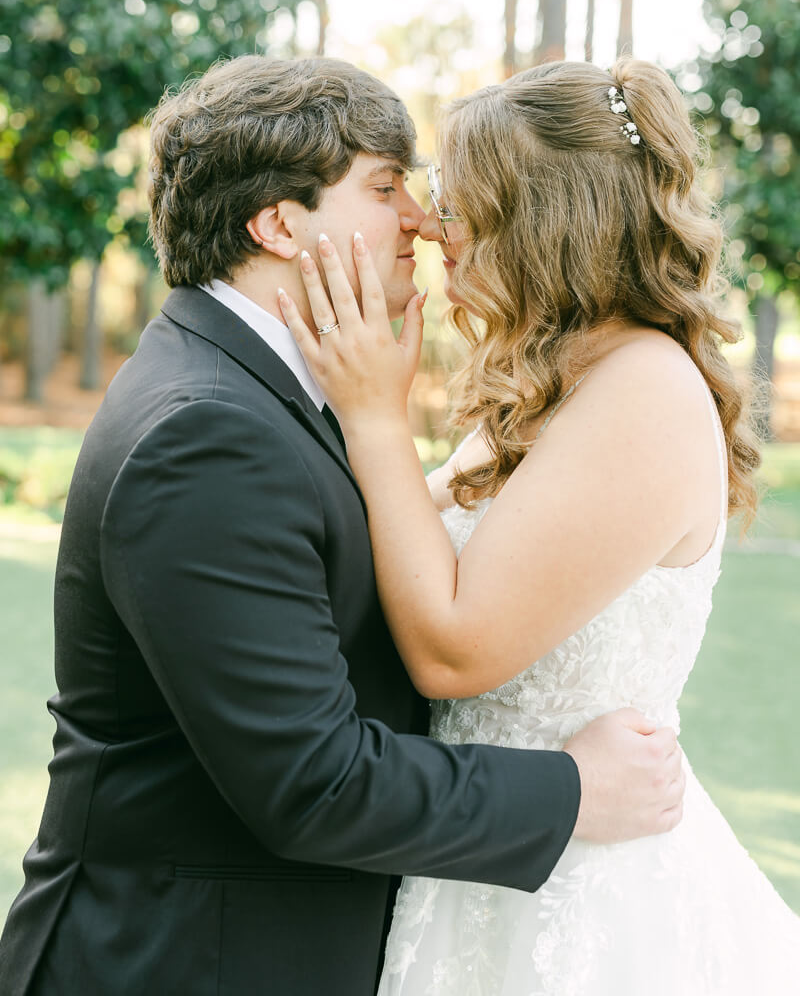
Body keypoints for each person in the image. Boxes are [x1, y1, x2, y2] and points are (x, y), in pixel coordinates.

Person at [0, 56, 684, 996]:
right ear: (280, 223)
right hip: (185, 960)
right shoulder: (206, 432)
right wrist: (574, 791)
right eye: (386, 185)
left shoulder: (259, 391)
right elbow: (313, 781)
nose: (422, 221)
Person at [279, 57, 800, 994]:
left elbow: (452, 650)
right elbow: (406, 538)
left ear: (547, 224)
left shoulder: (641, 392)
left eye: (465, 211)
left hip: (580, 896)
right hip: (482, 861)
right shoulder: (551, 386)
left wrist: (373, 416)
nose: (439, 234)